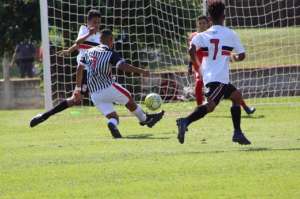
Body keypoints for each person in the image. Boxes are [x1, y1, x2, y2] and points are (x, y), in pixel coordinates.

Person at [177, 1, 251, 145]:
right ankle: (185, 121)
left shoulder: (202, 35)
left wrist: (197, 67)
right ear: (224, 16)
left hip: (210, 76)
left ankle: (237, 133)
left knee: (236, 96)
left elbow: (191, 51)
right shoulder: (230, 33)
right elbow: (242, 55)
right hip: (219, 78)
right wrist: (234, 57)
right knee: (210, 106)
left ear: (209, 19)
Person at [75, 29, 164, 138]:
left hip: (94, 94)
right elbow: (122, 66)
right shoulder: (110, 53)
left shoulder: (88, 52)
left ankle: (111, 124)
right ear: (111, 40)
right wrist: (142, 71)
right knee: (129, 99)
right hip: (108, 87)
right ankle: (145, 119)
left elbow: (79, 68)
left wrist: (78, 89)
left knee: (113, 117)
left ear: (99, 40)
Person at [30, 9, 101, 128]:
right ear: (88, 22)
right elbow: (79, 42)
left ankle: (117, 119)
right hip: (83, 71)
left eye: (99, 22)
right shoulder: (84, 29)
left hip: (95, 72)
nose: (97, 25)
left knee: (78, 99)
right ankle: (44, 116)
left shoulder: (100, 36)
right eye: (94, 22)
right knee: (75, 99)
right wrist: (88, 35)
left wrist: (69, 50)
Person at [187, 15, 256, 115]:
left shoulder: (212, 36)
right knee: (199, 84)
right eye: (200, 23)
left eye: (204, 23)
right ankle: (199, 108)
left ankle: (245, 107)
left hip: (214, 68)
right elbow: (191, 52)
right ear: (197, 25)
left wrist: (230, 57)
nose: (202, 25)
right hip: (201, 66)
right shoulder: (194, 36)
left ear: (209, 24)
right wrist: (191, 65)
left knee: (230, 91)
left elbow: (221, 50)